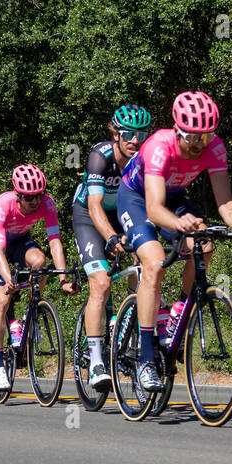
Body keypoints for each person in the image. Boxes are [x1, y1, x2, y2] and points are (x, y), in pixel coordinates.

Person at [115, 91, 232, 390]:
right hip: (136, 199)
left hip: (174, 197)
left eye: (205, 137)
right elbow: (154, 209)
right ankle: (146, 358)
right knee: (155, 264)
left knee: (205, 244)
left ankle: (177, 314)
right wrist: (178, 223)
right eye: (191, 137)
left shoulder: (216, 148)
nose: (198, 144)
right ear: (177, 130)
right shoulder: (159, 145)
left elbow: (225, 203)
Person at [71, 104, 151, 388]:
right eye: (129, 134)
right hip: (88, 218)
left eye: (141, 134)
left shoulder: (144, 158)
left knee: (143, 272)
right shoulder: (99, 156)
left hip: (122, 213)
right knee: (102, 284)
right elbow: (94, 206)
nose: (135, 141)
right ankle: (95, 362)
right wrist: (112, 238)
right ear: (115, 134)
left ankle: (126, 332)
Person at [0, 164, 78, 391]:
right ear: (18, 194)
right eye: (28, 197)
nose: (34, 202)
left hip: (20, 240)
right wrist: (8, 280)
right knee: (2, 300)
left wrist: (63, 278)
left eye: (38, 196)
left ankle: (30, 311)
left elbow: (54, 242)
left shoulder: (48, 204)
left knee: (40, 262)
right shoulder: (1, 205)